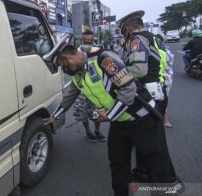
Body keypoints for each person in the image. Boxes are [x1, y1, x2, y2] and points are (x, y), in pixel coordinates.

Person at [44, 42, 175, 196]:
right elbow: (69, 96)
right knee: (117, 163)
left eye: (62, 65)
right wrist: (55, 115)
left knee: (157, 166)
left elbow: (128, 88)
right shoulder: (78, 75)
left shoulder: (104, 59)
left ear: (67, 58)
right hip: (119, 122)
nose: (64, 70)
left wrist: (110, 115)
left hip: (143, 119)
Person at [116, 11, 179, 184]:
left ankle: (169, 179)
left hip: (148, 94)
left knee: (155, 143)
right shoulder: (154, 38)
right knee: (149, 138)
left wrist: (119, 76)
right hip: (159, 90)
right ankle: (143, 170)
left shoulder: (136, 40)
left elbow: (138, 70)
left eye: (123, 31)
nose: (124, 35)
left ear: (128, 29)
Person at [73, 30, 106, 142]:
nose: (88, 44)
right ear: (82, 41)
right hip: (82, 89)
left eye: (90, 42)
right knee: (83, 112)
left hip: (96, 88)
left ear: (93, 41)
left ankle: (97, 131)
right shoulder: (75, 53)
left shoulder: (97, 51)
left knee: (98, 111)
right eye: (85, 42)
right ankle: (88, 132)